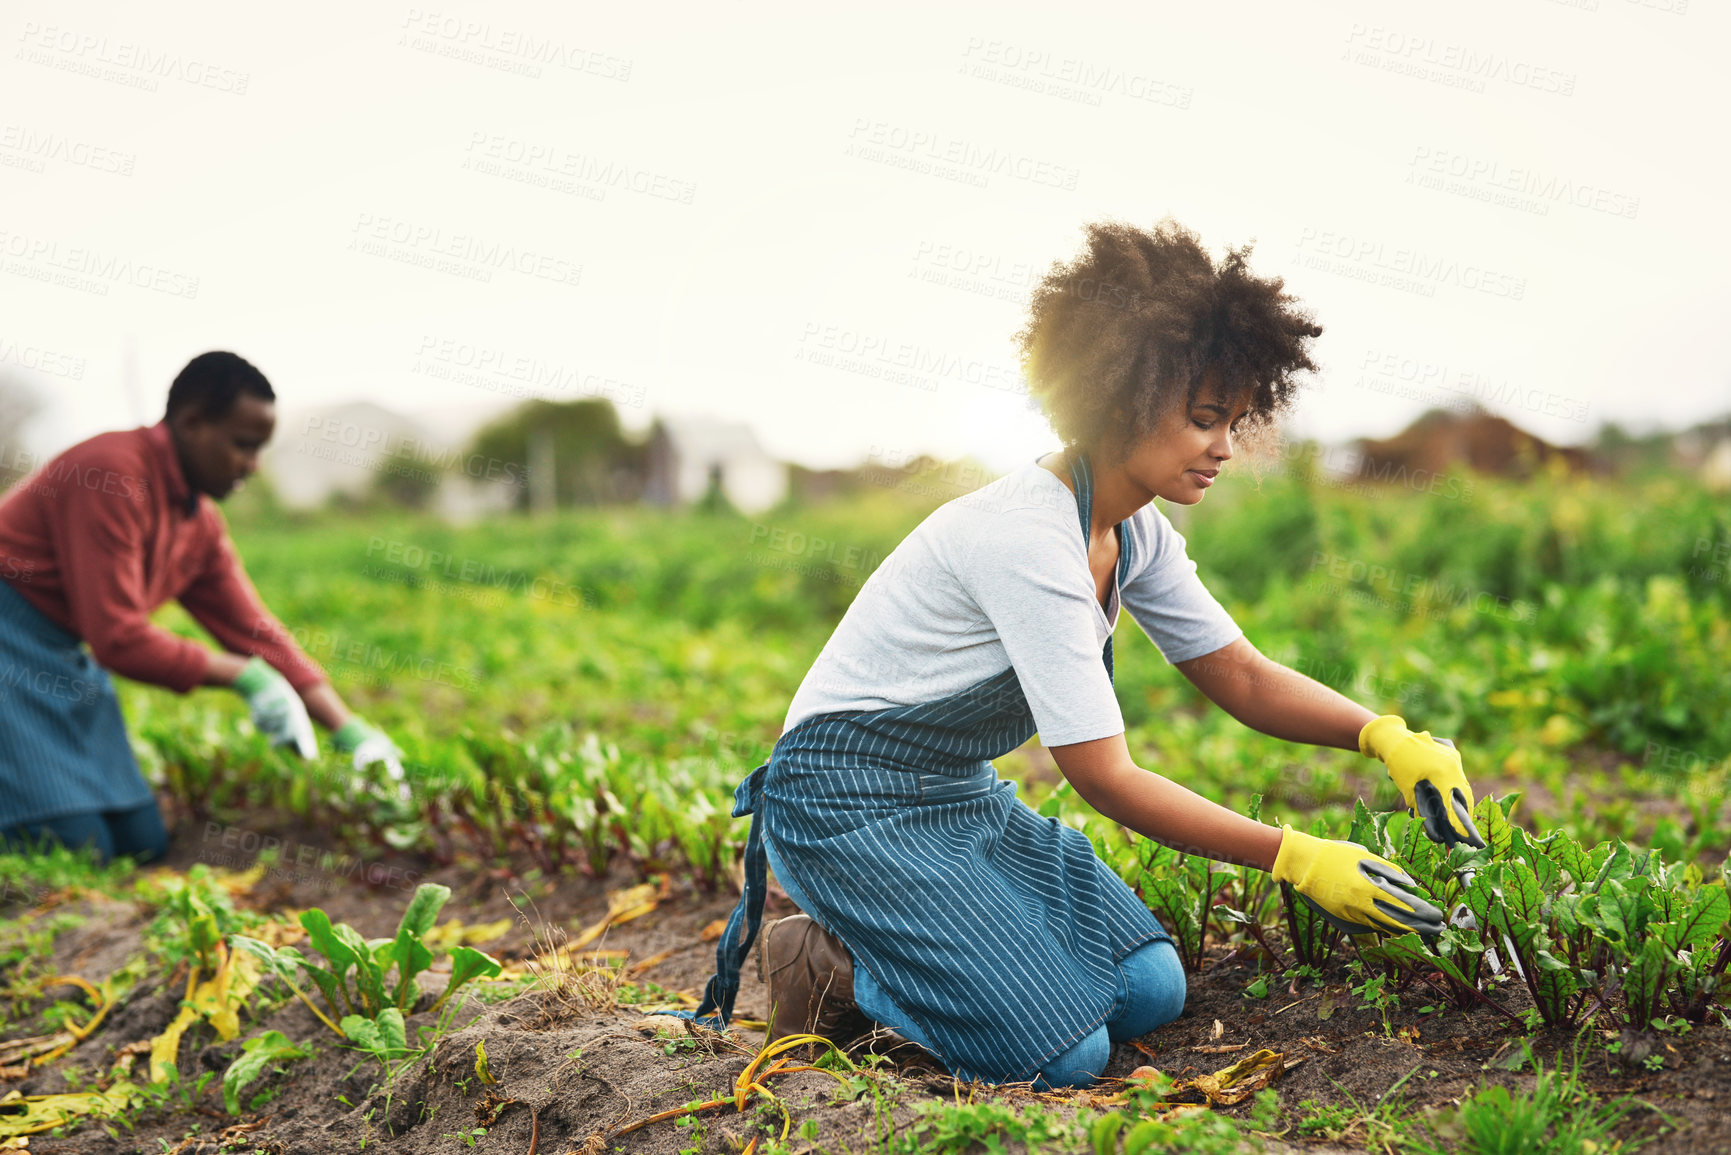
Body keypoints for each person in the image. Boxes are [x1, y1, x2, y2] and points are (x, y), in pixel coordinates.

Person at [688, 220, 1485, 1089]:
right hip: (843, 806)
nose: (1223, 446)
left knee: (1148, 987)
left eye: (1233, 420)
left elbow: (1242, 674)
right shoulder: (1028, 538)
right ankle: (834, 962)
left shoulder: (1132, 529)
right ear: (1118, 399)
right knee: (1061, 1055)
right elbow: (1104, 776)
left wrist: (1383, 735)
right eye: (1202, 418)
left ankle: (915, 963)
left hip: (952, 795)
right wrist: (1294, 855)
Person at [0, 351, 405, 866]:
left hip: (61, 656)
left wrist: (350, 732)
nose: (252, 465)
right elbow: (117, 637)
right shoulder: (111, 473)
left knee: (141, 840)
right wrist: (247, 678)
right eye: (243, 445)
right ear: (192, 423)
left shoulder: (199, 522)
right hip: (8, 642)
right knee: (77, 847)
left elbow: (255, 631)